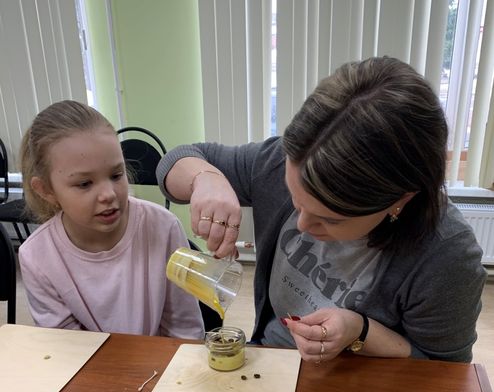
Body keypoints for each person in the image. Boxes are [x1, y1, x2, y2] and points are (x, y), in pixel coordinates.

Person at [157, 56, 487, 362]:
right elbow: (174, 162)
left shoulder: (447, 257)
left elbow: (445, 372)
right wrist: (205, 177)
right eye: (295, 199)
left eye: (330, 218)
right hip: (271, 366)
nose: (301, 225)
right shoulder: (276, 164)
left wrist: (361, 331)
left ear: (400, 199)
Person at [19, 100, 204, 338]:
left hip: (163, 367)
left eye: (116, 175)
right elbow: (66, 348)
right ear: (46, 190)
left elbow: (184, 329)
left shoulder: (163, 227)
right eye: (85, 184)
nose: (108, 194)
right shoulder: (36, 256)